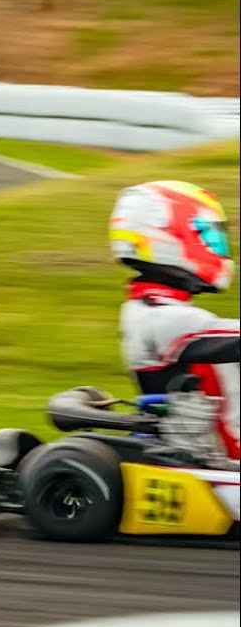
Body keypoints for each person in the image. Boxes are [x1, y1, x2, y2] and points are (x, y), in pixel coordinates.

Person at [110, 180, 239, 468]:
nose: (216, 245)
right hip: (210, 460)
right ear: (166, 236)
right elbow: (228, 339)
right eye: (207, 234)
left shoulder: (159, 309)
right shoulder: (156, 315)